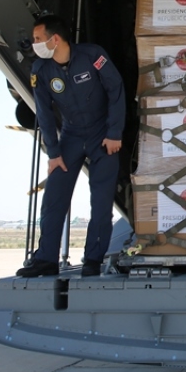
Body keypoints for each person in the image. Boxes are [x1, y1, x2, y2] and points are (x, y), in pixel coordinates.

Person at [17, 16, 126, 278]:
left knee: (100, 203)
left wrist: (114, 133)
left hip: (102, 137)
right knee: (53, 200)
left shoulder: (92, 55)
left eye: (38, 39)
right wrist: (53, 153)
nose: (35, 44)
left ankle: (92, 259)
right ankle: (45, 260)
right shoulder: (40, 71)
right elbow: (43, 112)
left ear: (55, 39)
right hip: (71, 136)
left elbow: (116, 89)